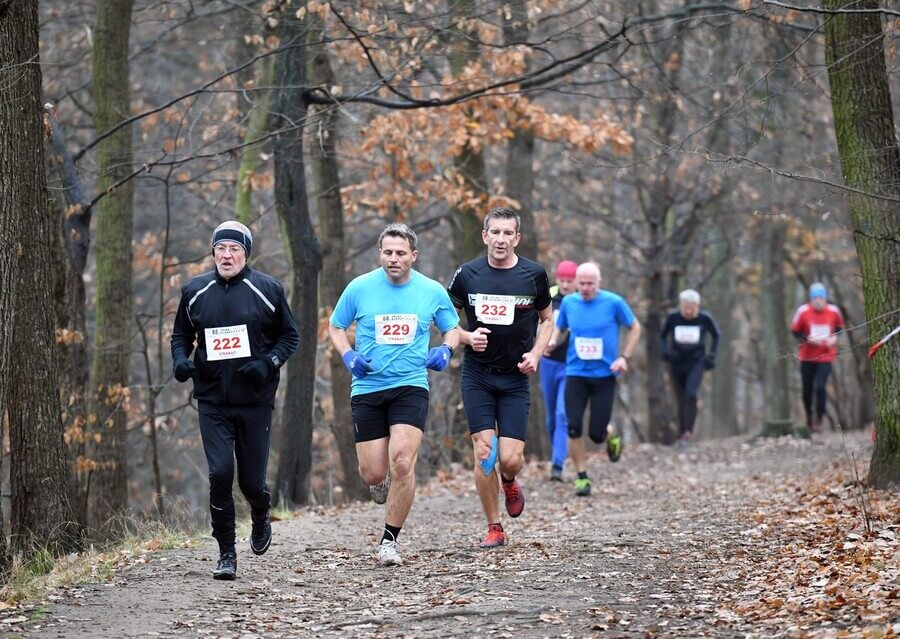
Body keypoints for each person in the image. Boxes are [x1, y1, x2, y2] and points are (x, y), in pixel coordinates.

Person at [171, 220, 299, 580]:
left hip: (255, 401)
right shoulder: (194, 290)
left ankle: (261, 511)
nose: (227, 256)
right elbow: (180, 337)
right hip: (213, 400)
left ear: (246, 254)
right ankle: (226, 552)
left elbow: (290, 338)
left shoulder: (268, 290)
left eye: (235, 249)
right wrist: (181, 361)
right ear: (213, 252)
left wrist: (267, 362)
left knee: (251, 483)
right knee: (220, 473)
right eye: (221, 249)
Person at [329, 223, 460, 566]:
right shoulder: (360, 288)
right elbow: (335, 326)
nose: (393, 259)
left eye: (400, 253)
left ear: (413, 256)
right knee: (373, 472)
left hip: (410, 384)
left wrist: (446, 350)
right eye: (387, 252)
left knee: (402, 461)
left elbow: (452, 330)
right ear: (380, 254)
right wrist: (347, 355)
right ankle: (379, 482)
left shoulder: (431, 291)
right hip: (369, 385)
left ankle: (389, 541)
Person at [447, 207, 553, 549]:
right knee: (484, 453)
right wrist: (465, 337)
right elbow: (446, 319)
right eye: (496, 232)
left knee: (509, 458)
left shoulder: (534, 275)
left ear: (517, 238)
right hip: (477, 374)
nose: (502, 239)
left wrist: (536, 354)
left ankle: (509, 480)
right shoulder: (467, 274)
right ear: (485, 236)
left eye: (509, 233)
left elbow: (547, 320)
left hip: (514, 378)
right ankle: (494, 527)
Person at [548, 262, 640, 497]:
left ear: (599, 283)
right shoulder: (569, 303)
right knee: (573, 426)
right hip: (575, 373)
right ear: (577, 283)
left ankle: (609, 436)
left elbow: (635, 327)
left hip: (604, 375)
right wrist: (551, 343)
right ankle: (582, 477)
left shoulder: (614, 303)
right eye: (582, 283)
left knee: (596, 433)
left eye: (591, 283)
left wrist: (624, 357)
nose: (586, 288)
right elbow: (560, 329)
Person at [659, 289, 720, 448]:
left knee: (691, 394)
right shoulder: (673, 318)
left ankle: (688, 432)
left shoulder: (704, 319)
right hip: (677, 362)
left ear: (698, 306)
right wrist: (666, 352)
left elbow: (716, 335)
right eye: (685, 306)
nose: (688, 311)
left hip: (696, 362)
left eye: (691, 307)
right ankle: (682, 433)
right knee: (680, 398)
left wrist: (712, 355)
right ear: (680, 305)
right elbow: (662, 336)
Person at [540, 260, 578, 481]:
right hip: (548, 362)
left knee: (563, 414)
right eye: (562, 279)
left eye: (569, 280)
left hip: (572, 364)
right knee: (551, 418)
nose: (565, 284)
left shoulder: (582, 300)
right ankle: (557, 456)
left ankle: (557, 463)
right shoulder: (549, 297)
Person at [790, 282, 844, 432]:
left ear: (825, 298)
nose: (818, 301)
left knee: (820, 387)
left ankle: (819, 419)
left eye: (821, 298)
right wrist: (808, 339)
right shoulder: (803, 311)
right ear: (811, 299)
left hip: (826, 356)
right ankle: (809, 416)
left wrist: (835, 338)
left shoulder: (833, 311)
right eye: (815, 299)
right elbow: (795, 331)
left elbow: (840, 329)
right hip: (807, 357)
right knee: (807, 389)